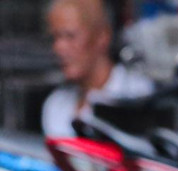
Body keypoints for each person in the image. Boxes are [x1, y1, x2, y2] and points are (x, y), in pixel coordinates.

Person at [42, 0, 153, 138]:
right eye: (55, 37)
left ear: (102, 36)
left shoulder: (137, 95)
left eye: (70, 36)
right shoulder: (56, 105)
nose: (58, 48)